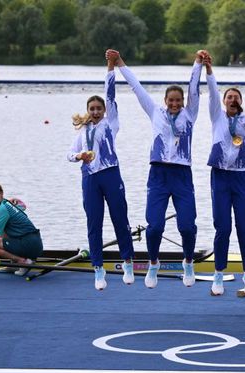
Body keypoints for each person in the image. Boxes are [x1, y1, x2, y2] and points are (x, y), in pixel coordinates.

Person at [112, 48, 203, 289]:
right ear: (165, 101)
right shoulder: (155, 113)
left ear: (183, 102)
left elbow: (194, 89)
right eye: (171, 100)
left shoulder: (190, 115)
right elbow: (137, 87)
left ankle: (188, 262)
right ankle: (153, 263)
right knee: (154, 227)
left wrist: (197, 64)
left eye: (178, 100)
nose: (174, 104)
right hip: (159, 175)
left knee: (187, 225)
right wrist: (120, 62)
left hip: (182, 175)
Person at [67, 52, 135, 291]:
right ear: (88, 111)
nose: (96, 111)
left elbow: (110, 92)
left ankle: (127, 261)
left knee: (120, 219)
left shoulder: (111, 123)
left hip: (110, 174)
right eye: (92, 109)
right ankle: (98, 268)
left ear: (105, 111)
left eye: (99, 108)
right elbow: (68, 155)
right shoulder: (82, 132)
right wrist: (79, 156)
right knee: (94, 224)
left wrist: (110, 65)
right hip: (90, 179)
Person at [203, 50, 245, 297]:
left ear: (240, 101)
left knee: (244, 226)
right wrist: (209, 70)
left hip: (241, 176)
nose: (232, 99)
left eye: (236, 97)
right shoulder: (217, 116)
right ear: (224, 100)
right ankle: (218, 274)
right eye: (229, 96)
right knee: (223, 227)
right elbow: (213, 93)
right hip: (220, 175)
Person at [0, 182, 43, 276]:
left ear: (1, 193)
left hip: (29, 244)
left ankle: (23, 262)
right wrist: (12, 200)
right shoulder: (8, 203)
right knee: (3, 234)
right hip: (36, 243)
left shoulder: (2, 209)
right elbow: (23, 206)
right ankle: (15, 265)